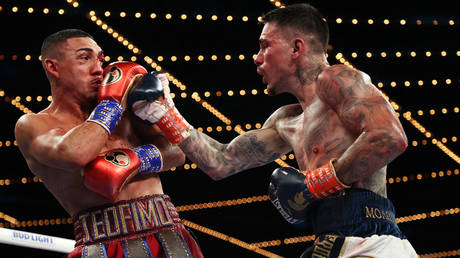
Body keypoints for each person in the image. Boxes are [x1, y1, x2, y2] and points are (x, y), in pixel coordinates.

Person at [128, 3, 418, 257]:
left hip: (371, 237)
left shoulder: (337, 78)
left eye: (265, 45)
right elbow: (220, 162)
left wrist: (315, 184)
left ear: (296, 47)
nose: (257, 57)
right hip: (330, 239)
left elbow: (390, 137)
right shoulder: (285, 121)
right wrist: (165, 113)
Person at [14, 29, 203, 258]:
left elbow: (177, 150)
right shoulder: (33, 124)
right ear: (53, 67)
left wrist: (135, 160)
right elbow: (74, 153)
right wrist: (111, 104)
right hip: (102, 247)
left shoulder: (127, 111)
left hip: (168, 238)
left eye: (100, 59)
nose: (98, 69)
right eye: (84, 58)